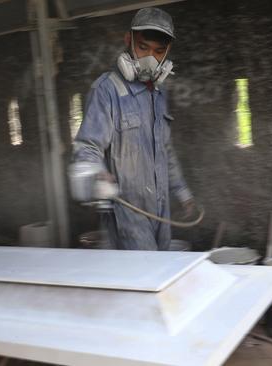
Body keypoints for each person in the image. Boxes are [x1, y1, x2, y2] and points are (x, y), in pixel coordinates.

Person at [71, 7, 195, 251]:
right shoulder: (107, 91)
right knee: (146, 275)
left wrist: (182, 192)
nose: (150, 58)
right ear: (128, 41)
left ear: (167, 52)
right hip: (127, 211)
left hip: (161, 207)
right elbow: (87, 147)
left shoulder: (159, 94)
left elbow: (165, 150)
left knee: (162, 269)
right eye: (143, 47)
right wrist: (96, 176)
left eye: (159, 52)